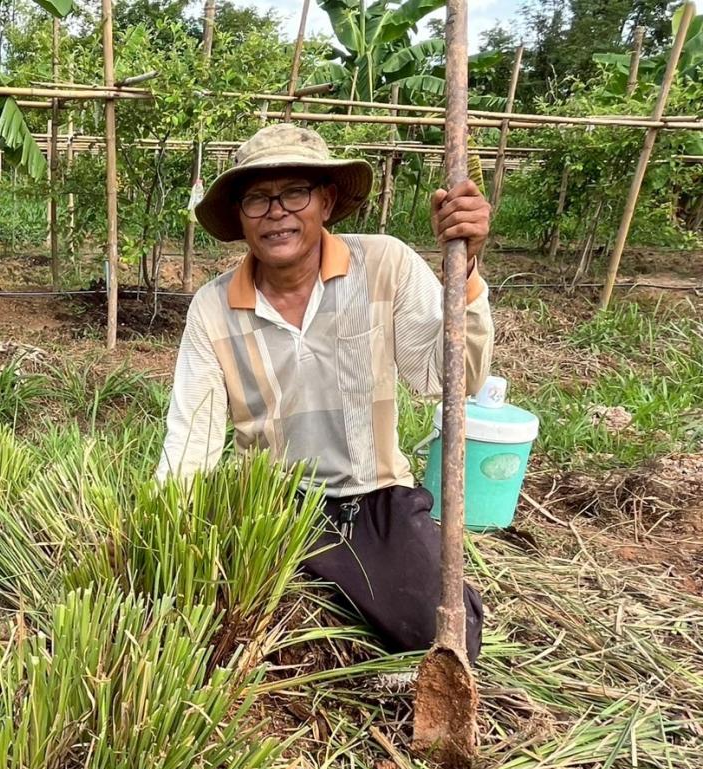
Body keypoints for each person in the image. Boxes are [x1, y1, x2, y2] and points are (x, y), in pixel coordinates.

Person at [159, 123, 493, 662]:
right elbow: (191, 436)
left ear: (327, 200)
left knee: (439, 629)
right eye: (257, 199)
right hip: (270, 501)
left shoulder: (384, 264)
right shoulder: (213, 306)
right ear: (241, 217)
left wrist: (467, 273)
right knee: (222, 624)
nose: (277, 213)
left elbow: (444, 378)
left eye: (295, 193)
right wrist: (167, 533)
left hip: (371, 495)